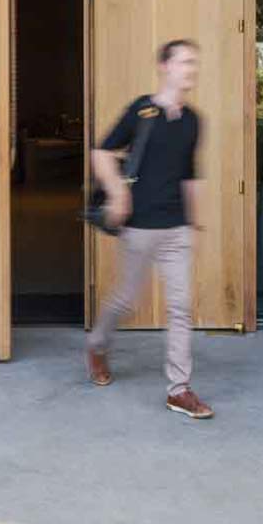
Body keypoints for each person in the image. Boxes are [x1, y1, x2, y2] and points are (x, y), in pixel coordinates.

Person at [86, 37, 214, 420]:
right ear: (164, 66)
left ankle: (179, 390)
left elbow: (189, 175)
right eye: (184, 62)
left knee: (180, 308)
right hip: (139, 226)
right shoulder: (142, 111)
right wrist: (117, 194)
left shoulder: (193, 121)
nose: (191, 69)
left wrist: (194, 221)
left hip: (176, 228)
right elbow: (101, 152)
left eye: (195, 62)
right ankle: (96, 344)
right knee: (126, 299)